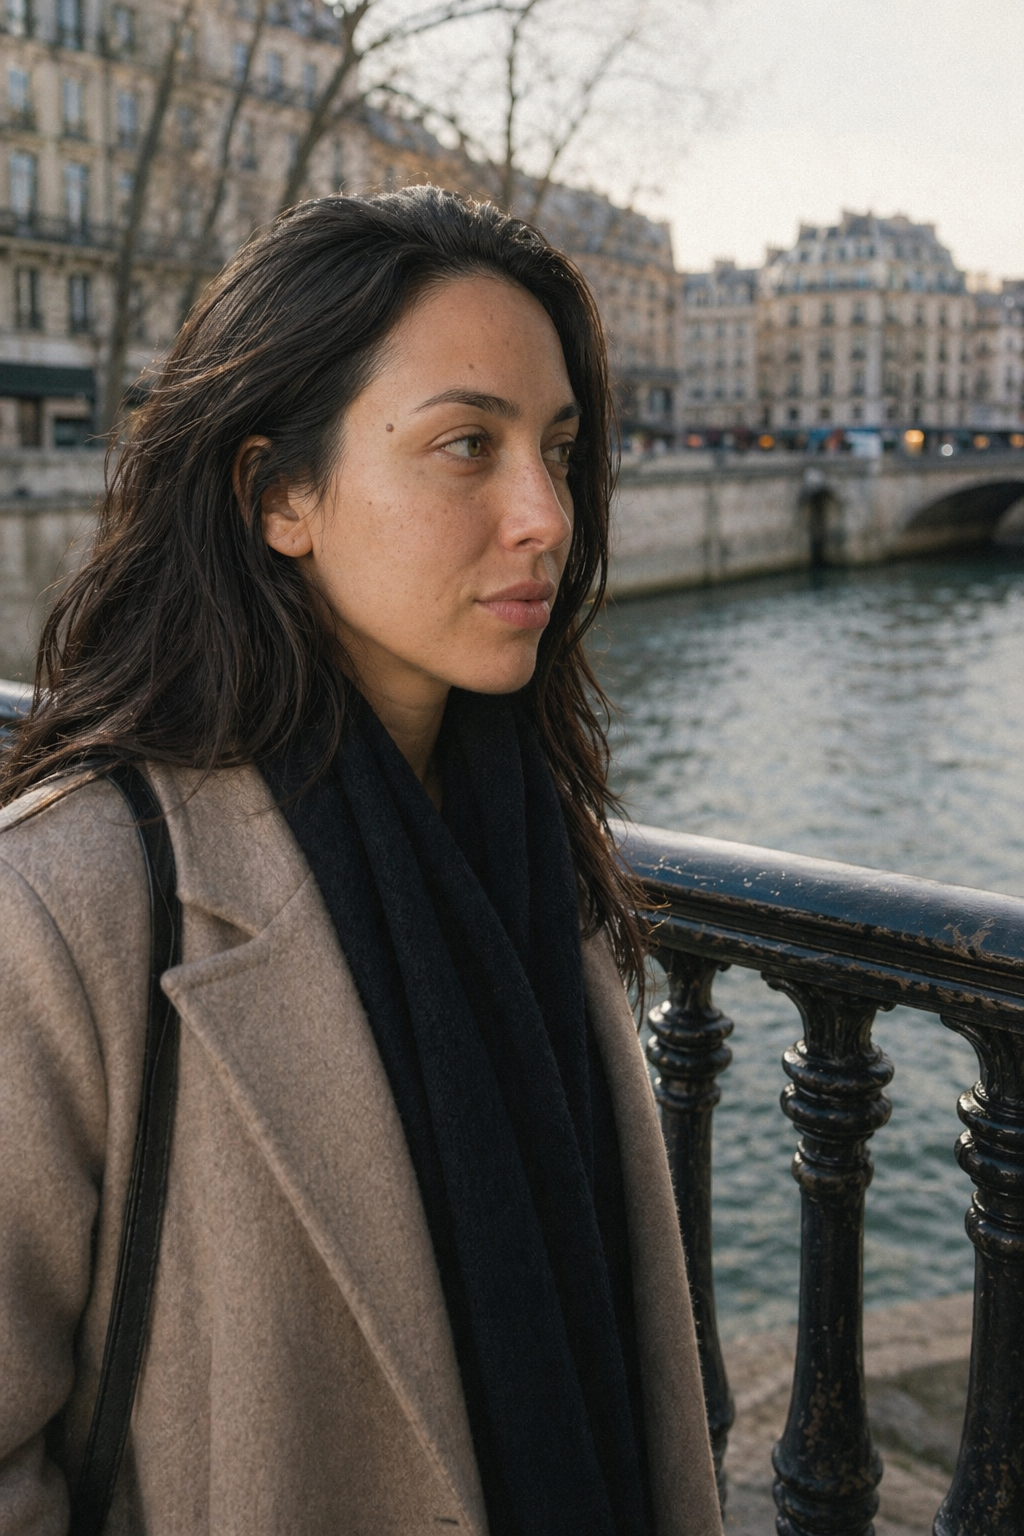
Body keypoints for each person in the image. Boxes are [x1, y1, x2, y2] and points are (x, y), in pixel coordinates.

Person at [0, 188, 721, 1536]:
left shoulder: (527, 843)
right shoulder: (65, 903)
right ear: (278, 493)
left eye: (558, 450)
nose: (544, 517)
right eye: (466, 445)